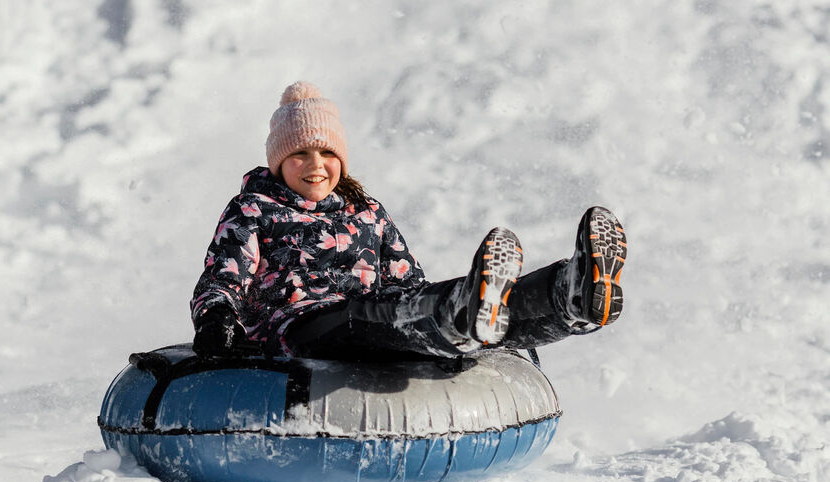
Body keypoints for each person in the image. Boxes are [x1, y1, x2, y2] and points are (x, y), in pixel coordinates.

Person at [191, 81, 627, 360]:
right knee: (370, 317)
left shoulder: (368, 213)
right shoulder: (254, 209)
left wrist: (426, 301)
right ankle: (461, 315)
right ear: (278, 162)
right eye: (299, 154)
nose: (316, 165)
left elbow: (406, 283)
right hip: (300, 328)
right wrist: (216, 320)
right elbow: (223, 277)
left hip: (374, 321)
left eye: (327, 153)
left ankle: (566, 298)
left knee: (417, 306)